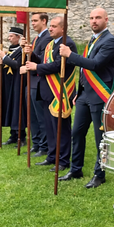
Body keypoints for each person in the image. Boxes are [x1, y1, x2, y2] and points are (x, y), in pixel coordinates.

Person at [59, 7, 114, 187]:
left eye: (98, 18)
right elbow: (84, 71)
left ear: (106, 20)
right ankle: (76, 169)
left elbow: (94, 64)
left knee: (100, 138)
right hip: (85, 95)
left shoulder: (110, 41)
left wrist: (70, 55)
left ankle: (99, 174)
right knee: (77, 133)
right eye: (91, 18)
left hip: (100, 95)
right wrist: (79, 91)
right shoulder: (93, 40)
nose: (94, 21)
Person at [23, 15, 77, 170]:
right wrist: (31, 54)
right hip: (48, 90)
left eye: (54, 26)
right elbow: (42, 60)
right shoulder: (51, 44)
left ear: (63, 28)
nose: (51, 29)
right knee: (50, 127)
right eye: (51, 26)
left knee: (61, 128)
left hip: (60, 92)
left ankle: (63, 160)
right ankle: (52, 156)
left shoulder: (68, 44)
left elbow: (59, 65)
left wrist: (37, 68)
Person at [0, 26, 26, 145]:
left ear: (18, 37)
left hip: (16, 82)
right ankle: (13, 134)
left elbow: (16, 65)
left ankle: (21, 136)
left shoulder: (21, 51)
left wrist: (4, 58)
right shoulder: (10, 50)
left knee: (17, 108)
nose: (9, 38)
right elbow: (4, 65)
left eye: (11, 36)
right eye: (9, 36)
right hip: (6, 82)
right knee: (9, 107)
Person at [25, 13, 51, 155]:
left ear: (44, 21)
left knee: (41, 117)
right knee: (32, 116)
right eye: (32, 20)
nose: (33, 23)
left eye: (35, 20)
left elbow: (43, 60)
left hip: (39, 80)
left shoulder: (47, 38)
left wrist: (31, 55)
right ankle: (36, 142)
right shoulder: (36, 38)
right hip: (31, 80)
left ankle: (44, 145)